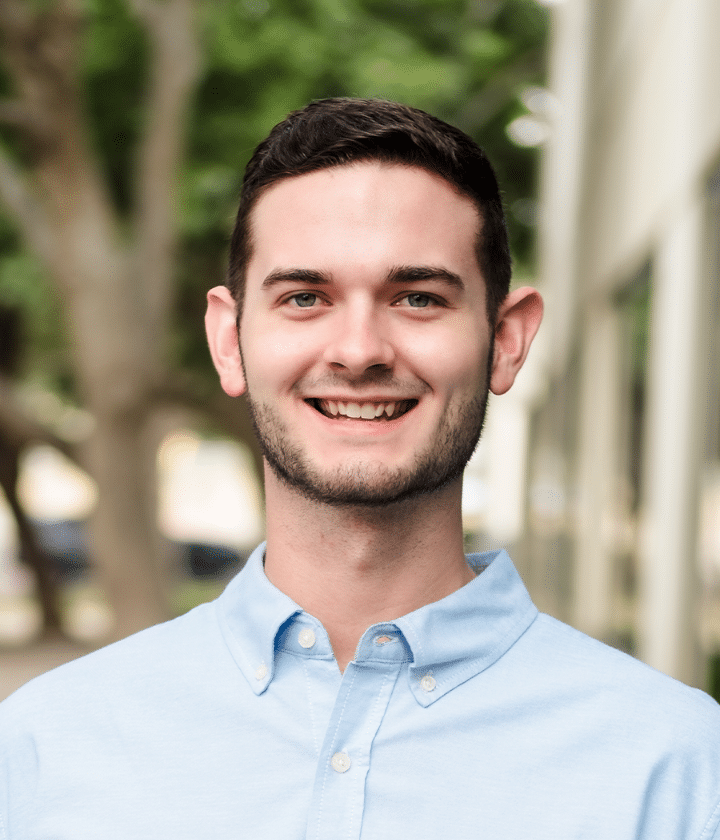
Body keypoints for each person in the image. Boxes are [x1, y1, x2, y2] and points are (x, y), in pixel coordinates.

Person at [1, 98, 719, 839]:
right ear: (228, 340)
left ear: (506, 340)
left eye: (418, 298)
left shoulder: (679, 768)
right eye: (304, 298)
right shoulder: (43, 752)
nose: (358, 351)